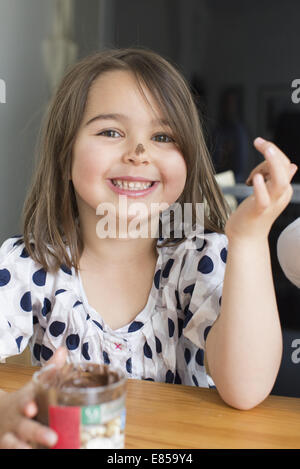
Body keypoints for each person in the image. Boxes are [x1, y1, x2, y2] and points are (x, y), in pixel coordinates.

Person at [0, 48, 297, 449]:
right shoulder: (28, 265)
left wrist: (248, 239)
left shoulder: (199, 259)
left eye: (162, 136)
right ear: (64, 152)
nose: (139, 153)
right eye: (110, 132)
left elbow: (246, 390)